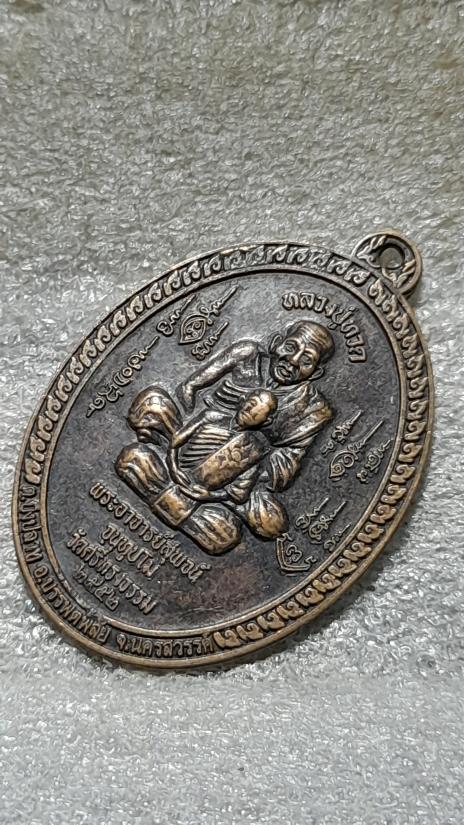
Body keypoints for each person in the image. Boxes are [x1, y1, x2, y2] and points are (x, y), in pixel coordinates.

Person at [116, 320, 335, 553]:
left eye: (306, 360)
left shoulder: (313, 411)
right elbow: (188, 389)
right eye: (290, 347)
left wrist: (238, 469)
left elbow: (284, 470)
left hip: (237, 474)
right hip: (193, 440)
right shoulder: (247, 356)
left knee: (272, 523)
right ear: (276, 342)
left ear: (316, 372)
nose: (292, 361)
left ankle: (155, 480)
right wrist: (200, 432)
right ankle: (188, 510)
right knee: (151, 404)